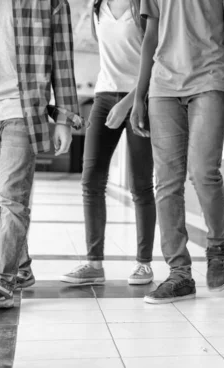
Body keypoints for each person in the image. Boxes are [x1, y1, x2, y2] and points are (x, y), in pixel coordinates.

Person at [131, 0, 224, 304]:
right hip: (163, 85)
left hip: (211, 77)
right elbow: (151, 35)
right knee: (167, 181)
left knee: (203, 171)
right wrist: (139, 94)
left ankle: (218, 246)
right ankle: (179, 274)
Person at [0, 0, 81, 308]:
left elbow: (62, 61)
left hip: (22, 113)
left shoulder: (49, 2)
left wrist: (63, 119)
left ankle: (1, 280)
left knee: (12, 199)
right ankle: (21, 268)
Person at [60, 0, 156, 286]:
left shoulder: (142, 4)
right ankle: (94, 264)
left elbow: (157, 58)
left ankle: (144, 264)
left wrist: (130, 102)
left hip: (140, 98)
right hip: (104, 96)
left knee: (140, 184)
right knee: (91, 180)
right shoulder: (96, 7)